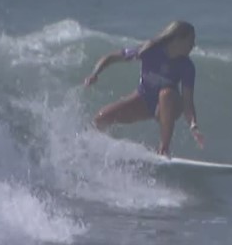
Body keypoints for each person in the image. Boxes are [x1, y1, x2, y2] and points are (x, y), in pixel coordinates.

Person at [84, 20, 205, 157]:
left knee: (166, 94)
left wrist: (194, 126)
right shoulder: (149, 51)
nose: (193, 45)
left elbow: (187, 102)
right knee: (101, 118)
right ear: (178, 39)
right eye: (191, 41)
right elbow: (111, 57)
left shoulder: (187, 66)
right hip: (143, 101)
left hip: (169, 106)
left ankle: (164, 148)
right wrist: (94, 74)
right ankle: (91, 148)